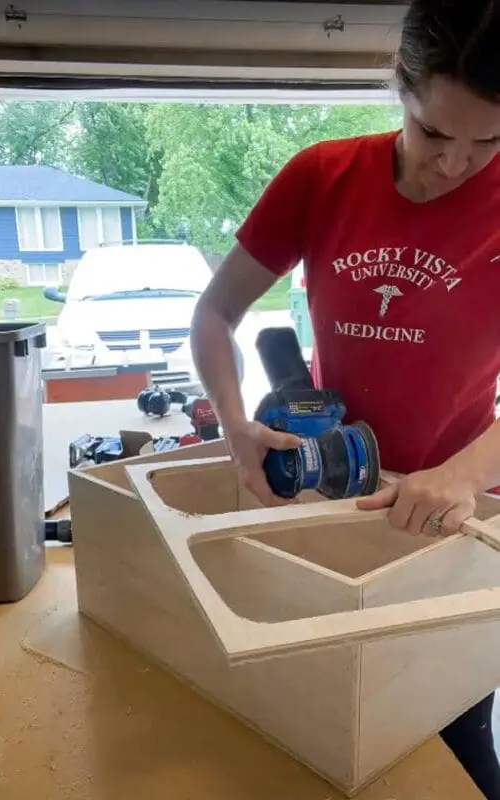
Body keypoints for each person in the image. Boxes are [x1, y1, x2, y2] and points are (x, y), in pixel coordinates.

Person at [190, 0, 500, 795]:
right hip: (332, 496)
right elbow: (216, 312)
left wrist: (463, 474)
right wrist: (232, 425)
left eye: (491, 140)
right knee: (322, 721)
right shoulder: (323, 176)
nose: (456, 164)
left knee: (453, 738)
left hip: (458, 521)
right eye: (435, 134)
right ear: (400, 88)